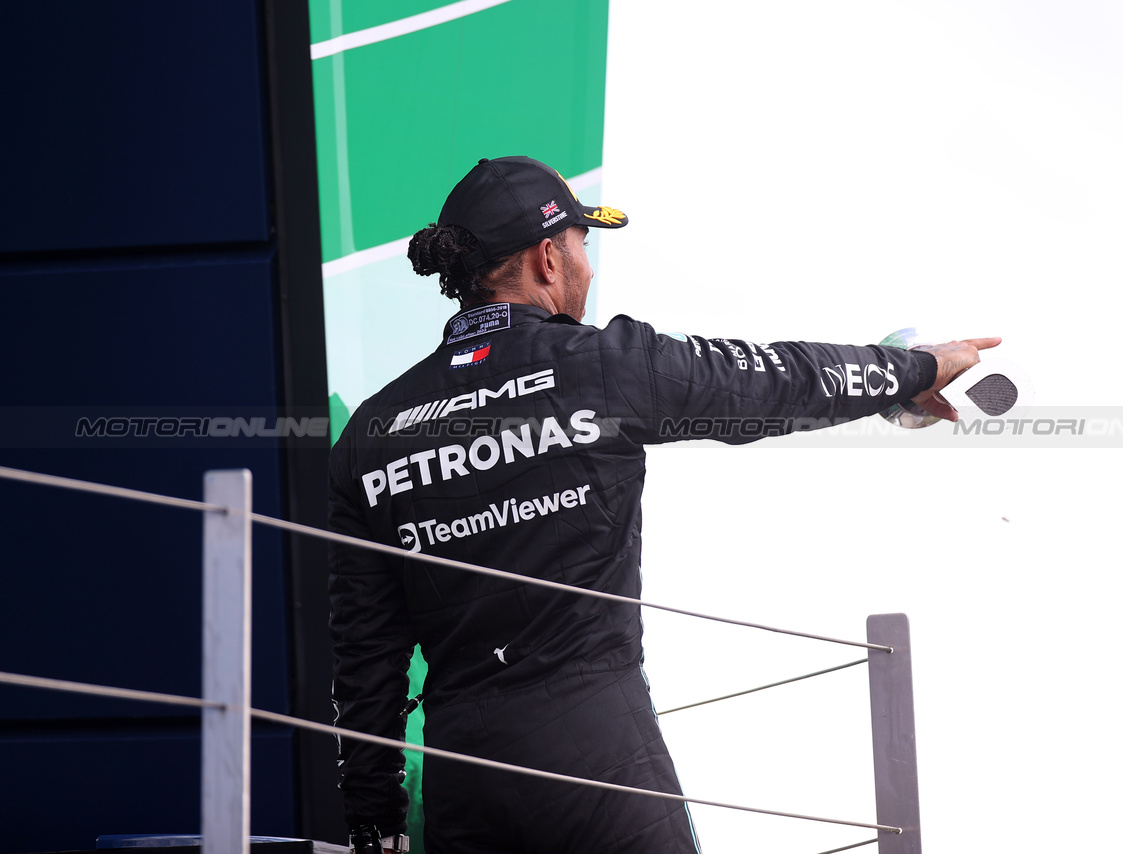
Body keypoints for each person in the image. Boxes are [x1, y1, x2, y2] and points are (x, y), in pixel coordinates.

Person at [329, 155, 998, 854]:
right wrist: (914, 369)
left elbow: (364, 652)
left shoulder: (370, 431)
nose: (588, 266)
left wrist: (373, 819)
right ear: (548, 258)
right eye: (584, 245)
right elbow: (772, 384)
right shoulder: (604, 364)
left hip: (465, 780)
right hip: (597, 751)